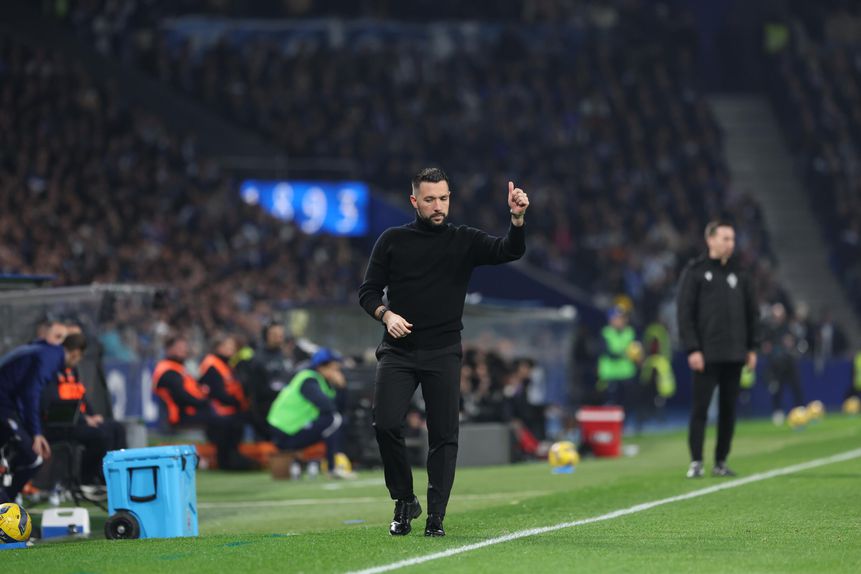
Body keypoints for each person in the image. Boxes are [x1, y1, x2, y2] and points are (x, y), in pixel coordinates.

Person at [358, 167, 529, 536]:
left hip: (443, 351)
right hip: (398, 351)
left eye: (445, 198)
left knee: (444, 434)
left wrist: (516, 219)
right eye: (431, 199)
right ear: (414, 200)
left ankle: (436, 515)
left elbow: (509, 250)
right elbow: (368, 292)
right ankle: (404, 499)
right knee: (385, 423)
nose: (439, 206)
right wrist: (385, 315)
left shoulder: (462, 240)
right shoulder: (391, 240)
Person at [677, 220, 758, 479]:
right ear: (710, 239)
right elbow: (684, 313)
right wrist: (693, 349)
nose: (730, 244)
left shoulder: (741, 273)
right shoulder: (696, 272)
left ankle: (721, 461)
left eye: (732, 239)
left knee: (729, 411)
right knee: (700, 409)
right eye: (725, 238)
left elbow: (752, 314)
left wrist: (752, 348)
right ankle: (696, 461)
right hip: (707, 354)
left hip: (735, 355)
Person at [0, 334, 86, 501]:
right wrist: (36, 433)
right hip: (3, 407)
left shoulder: (46, 352)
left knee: (26, 456)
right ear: (76, 353)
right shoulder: (50, 359)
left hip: (7, 407)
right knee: (33, 457)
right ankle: (6, 505)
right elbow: (30, 395)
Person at [41, 324, 127, 490]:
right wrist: (85, 419)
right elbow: (52, 404)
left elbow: (81, 397)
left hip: (78, 420)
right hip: (61, 424)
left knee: (117, 429)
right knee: (101, 436)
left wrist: (92, 416)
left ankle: (118, 476)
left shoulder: (72, 371)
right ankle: (89, 477)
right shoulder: (49, 371)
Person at [153, 335, 254, 471]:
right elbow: (183, 397)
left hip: (192, 410)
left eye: (184, 348)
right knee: (225, 421)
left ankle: (230, 457)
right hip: (180, 415)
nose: (184, 351)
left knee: (230, 420)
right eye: (180, 348)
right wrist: (204, 401)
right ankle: (226, 459)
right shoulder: (167, 370)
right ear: (169, 349)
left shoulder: (177, 368)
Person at [267, 348, 350, 478]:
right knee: (333, 419)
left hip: (294, 428)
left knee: (336, 420)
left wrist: (341, 387)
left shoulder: (323, 382)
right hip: (284, 431)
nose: (337, 372)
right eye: (334, 368)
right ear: (322, 367)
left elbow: (340, 408)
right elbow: (328, 408)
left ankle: (318, 464)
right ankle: (331, 467)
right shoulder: (308, 380)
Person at [762, 303, 803, 425]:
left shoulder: (787, 327)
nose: (778, 317)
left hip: (789, 362)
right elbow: (766, 346)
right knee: (776, 388)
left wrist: (790, 343)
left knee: (796, 386)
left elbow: (793, 341)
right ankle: (777, 411)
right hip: (776, 364)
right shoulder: (769, 329)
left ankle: (799, 409)